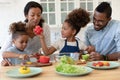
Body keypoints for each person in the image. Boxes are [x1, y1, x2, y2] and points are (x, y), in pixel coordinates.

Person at [0, 1, 50, 66]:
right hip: (18, 62)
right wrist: (5, 61)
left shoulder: (45, 27)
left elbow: (47, 50)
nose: (36, 18)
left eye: (38, 15)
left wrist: (41, 55)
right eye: (32, 15)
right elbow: (3, 51)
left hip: (32, 61)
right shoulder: (19, 30)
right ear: (26, 15)